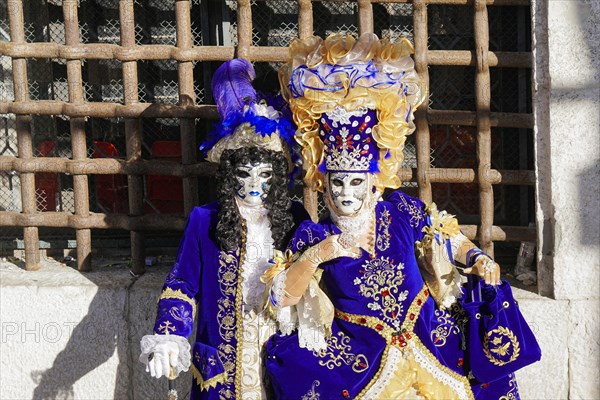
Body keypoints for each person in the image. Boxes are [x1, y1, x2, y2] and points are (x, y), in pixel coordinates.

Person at [262, 33, 523, 399]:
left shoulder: (400, 210)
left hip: (431, 340)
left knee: (486, 369)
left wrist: (477, 256)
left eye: (356, 181)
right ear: (325, 182)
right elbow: (282, 297)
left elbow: (446, 236)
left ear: (373, 181)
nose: (346, 193)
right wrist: (319, 254)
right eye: (338, 182)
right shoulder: (312, 233)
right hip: (361, 359)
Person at [139, 59, 308, 400]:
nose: (255, 184)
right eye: (245, 174)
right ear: (231, 173)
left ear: (278, 175)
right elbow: (182, 285)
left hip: (280, 364)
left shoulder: (296, 217)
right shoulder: (205, 220)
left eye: (264, 175)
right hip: (220, 371)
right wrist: (170, 336)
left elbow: (316, 278)